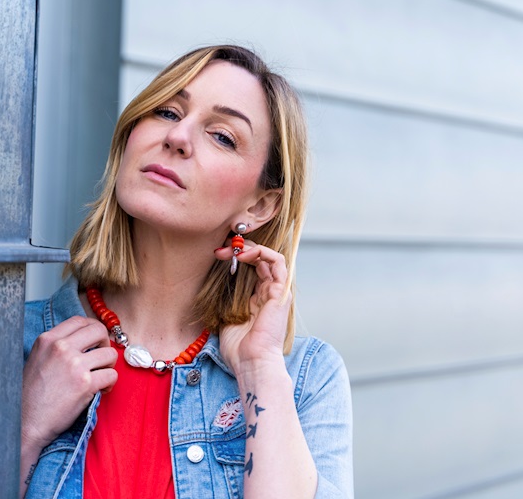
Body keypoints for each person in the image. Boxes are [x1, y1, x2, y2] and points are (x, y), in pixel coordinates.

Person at [19, 45, 353, 499]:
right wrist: (25, 428)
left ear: (259, 205)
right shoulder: (14, 346)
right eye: (166, 111)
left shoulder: (306, 381)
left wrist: (258, 369)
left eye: (222, 136)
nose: (178, 137)